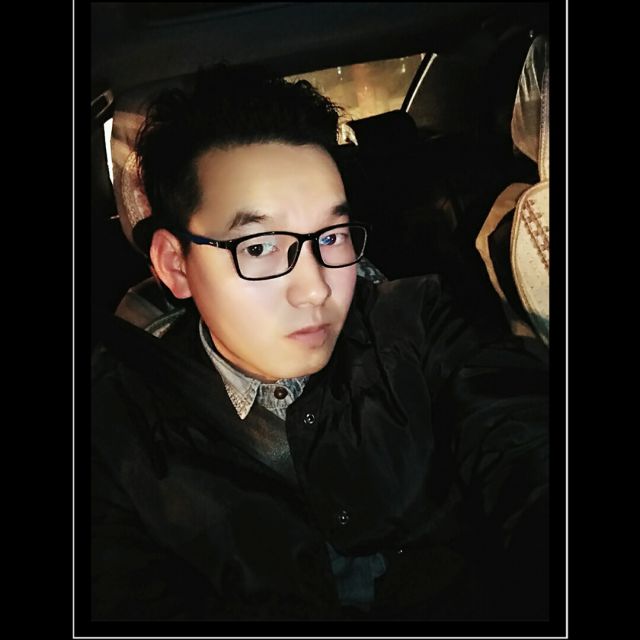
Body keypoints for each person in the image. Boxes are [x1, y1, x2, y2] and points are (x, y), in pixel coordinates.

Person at [91, 63, 549, 621]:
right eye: (258, 246)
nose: (315, 288)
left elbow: (520, 443)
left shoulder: (418, 323)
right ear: (175, 265)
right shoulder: (116, 428)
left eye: (331, 236)